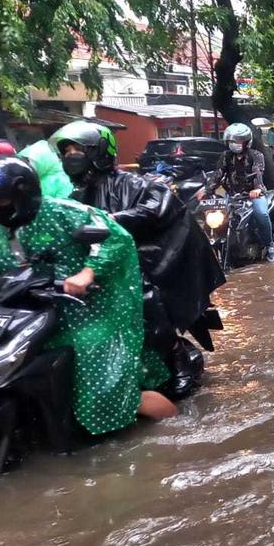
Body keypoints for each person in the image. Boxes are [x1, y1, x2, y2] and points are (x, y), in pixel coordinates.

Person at [0, 157, 176, 435]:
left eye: (1, 202)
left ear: (22, 193)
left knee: (101, 383)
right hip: (46, 310)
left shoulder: (65, 211)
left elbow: (116, 237)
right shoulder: (6, 226)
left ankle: (180, 431)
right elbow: (17, 263)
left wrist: (88, 272)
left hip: (99, 307)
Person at [51, 121, 226, 399]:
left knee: (144, 299)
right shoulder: (73, 196)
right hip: (99, 265)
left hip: (145, 260)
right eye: (67, 151)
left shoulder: (133, 183)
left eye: (77, 149)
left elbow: (158, 208)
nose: (72, 156)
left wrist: (115, 219)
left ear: (97, 152)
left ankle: (176, 355)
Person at [218, 123, 274, 262]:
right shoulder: (225, 156)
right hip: (232, 195)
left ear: (246, 142)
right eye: (232, 141)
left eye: (238, 141)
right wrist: (206, 190)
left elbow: (258, 172)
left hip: (255, 195)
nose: (235, 144)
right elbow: (218, 174)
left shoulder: (256, 155)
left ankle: (269, 245)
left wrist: (256, 189)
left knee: (261, 214)